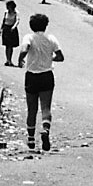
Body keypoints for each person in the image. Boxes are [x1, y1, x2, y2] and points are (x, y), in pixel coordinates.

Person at [18, 12, 64, 151]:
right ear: (45, 25)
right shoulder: (51, 38)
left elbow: (25, 49)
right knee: (46, 107)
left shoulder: (29, 37)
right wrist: (50, 59)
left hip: (32, 75)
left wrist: (20, 59)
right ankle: (45, 129)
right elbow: (60, 56)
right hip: (47, 75)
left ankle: (31, 139)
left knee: (32, 108)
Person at [0, 0, 20, 67]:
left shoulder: (16, 13)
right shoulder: (6, 12)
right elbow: (4, 20)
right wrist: (1, 29)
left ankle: (10, 60)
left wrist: (14, 27)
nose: (7, 8)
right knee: (6, 45)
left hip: (12, 29)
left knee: (10, 46)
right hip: (6, 28)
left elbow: (17, 20)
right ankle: (7, 60)